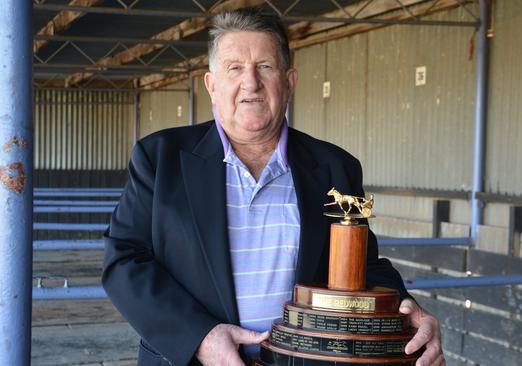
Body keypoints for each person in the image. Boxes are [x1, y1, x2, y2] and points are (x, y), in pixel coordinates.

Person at [103, 8, 445, 366]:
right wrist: (199, 337)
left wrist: (406, 308)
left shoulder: (335, 168)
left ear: (290, 81)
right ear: (212, 85)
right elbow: (123, 259)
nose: (250, 82)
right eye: (234, 68)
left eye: (264, 66)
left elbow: (363, 267)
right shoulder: (161, 159)